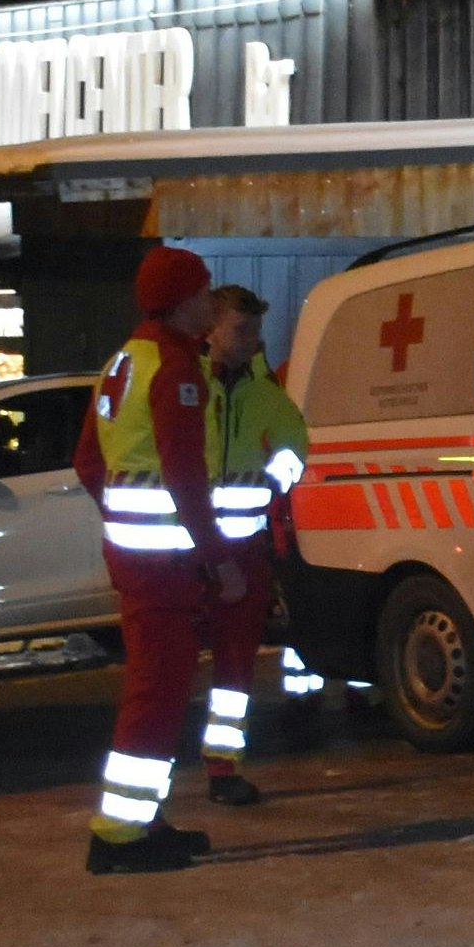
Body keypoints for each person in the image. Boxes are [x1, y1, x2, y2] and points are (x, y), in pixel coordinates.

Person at [66, 243, 255, 873]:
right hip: (166, 567)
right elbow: (183, 474)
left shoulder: (124, 360)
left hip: (139, 560)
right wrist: (218, 556)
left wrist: (123, 516)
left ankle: (139, 820)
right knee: (157, 693)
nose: (210, 301)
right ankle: (120, 836)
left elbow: (88, 461)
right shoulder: (174, 367)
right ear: (181, 299)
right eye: (203, 292)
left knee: (157, 689)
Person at [198, 284, 323, 743]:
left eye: (256, 329)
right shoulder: (186, 381)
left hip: (244, 548)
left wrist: (275, 482)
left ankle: (223, 760)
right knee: (171, 665)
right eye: (242, 328)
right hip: (186, 549)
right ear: (210, 329)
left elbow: (294, 441)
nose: (252, 337)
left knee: (235, 665)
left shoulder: (265, 388)